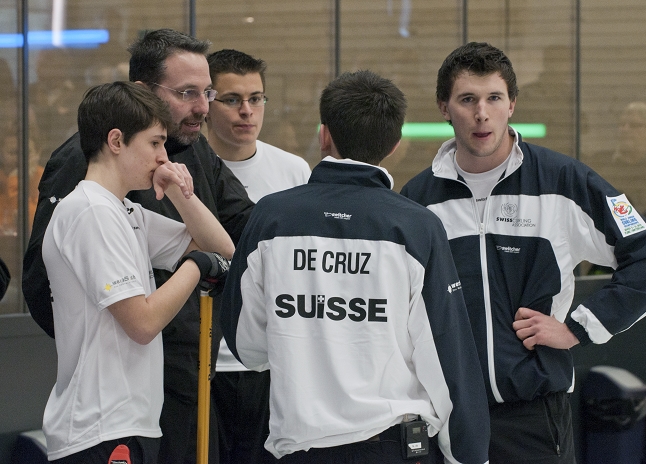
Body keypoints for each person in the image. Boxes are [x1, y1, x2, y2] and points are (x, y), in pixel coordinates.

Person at [400, 42, 646, 464]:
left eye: (494, 98)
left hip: (533, 418)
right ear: (444, 107)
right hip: (445, 420)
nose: (482, 114)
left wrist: (578, 328)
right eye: (467, 99)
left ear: (512, 104)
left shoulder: (563, 180)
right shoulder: (418, 201)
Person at [220, 70, 490, 464]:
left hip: (299, 448)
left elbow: (247, 347)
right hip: (391, 447)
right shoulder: (415, 227)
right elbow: (446, 356)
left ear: (324, 134)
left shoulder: (271, 218)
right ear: (395, 144)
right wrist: (469, 454)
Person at [22, 29, 255, 464]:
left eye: (206, 92)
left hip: (152, 400)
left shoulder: (130, 206)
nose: (164, 156)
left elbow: (223, 243)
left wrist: (185, 198)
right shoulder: (90, 204)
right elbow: (140, 321)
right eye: (155, 143)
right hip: (101, 417)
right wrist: (198, 266)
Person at [205, 48, 311, 464]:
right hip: (204, 362)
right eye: (232, 99)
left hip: (272, 365)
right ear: (207, 103)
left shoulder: (294, 172)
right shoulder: (184, 169)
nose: (247, 111)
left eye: (256, 98)